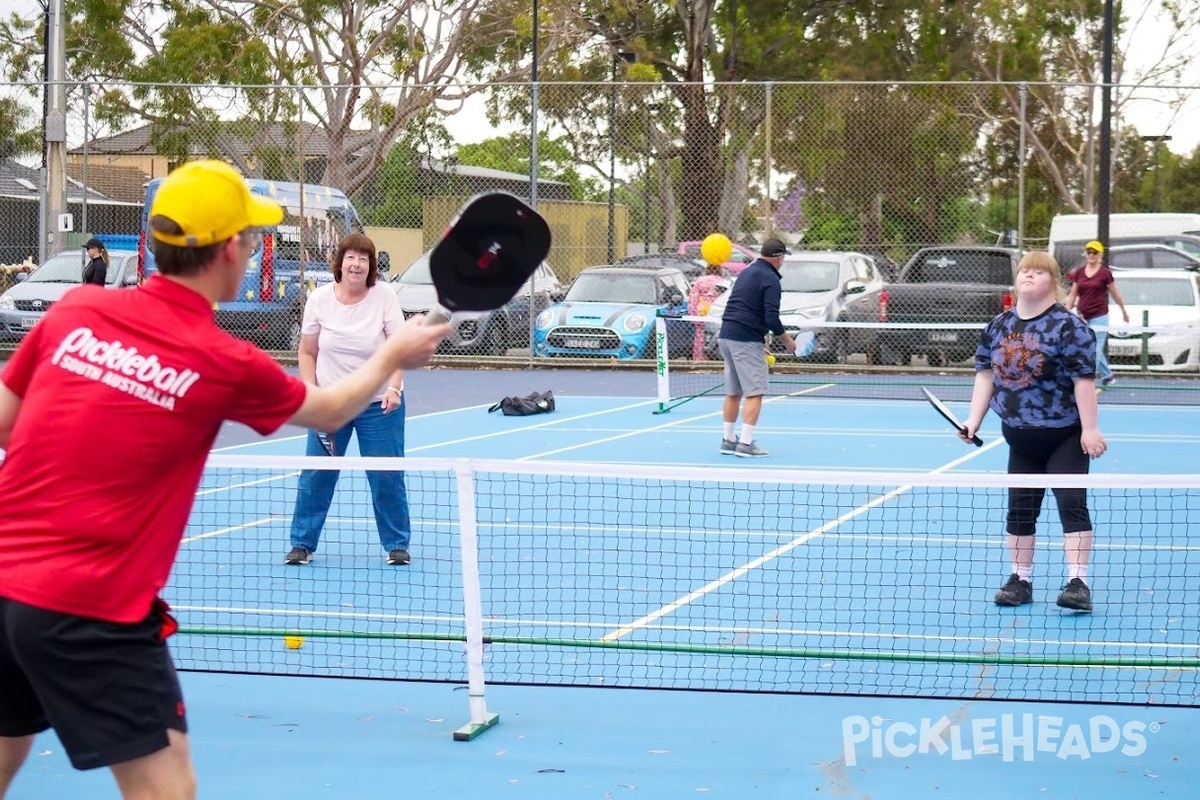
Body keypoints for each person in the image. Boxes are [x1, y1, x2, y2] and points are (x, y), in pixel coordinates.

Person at [0, 159, 449, 800]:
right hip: (92, 604)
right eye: (252, 236)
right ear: (233, 250)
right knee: (167, 790)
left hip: (3, 579)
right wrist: (392, 354)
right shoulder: (222, 359)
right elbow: (328, 410)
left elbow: (7, 424)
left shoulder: (76, 308)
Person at [960, 251, 1107, 613]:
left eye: (1038, 271)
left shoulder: (1069, 327)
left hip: (1064, 436)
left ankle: (1077, 581)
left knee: (1072, 506)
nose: (1028, 276)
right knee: (1019, 511)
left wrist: (1090, 429)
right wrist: (972, 421)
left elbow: (1083, 381)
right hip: (1019, 437)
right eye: (1024, 270)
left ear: (1053, 281)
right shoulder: (997, 326)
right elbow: (985, 376)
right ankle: (1020, 579)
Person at [285, 232, 413, 567]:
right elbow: (307, 352)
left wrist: (394, 389)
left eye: (363, 258)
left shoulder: (384, 295)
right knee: (317, 473)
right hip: (332, 406)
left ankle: (397, 545)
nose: (356, 264)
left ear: (370, 266)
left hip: (378, 405)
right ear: (340, 263)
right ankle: (302, 544)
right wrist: (312, 393)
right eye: (351, 257)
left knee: (386, 474)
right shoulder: (320, 299)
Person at [716, 237, 796, 458]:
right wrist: (788, 342)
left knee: (733, 392)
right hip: (743, 339)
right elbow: (771, 318)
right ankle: (746, 444)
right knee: (755, 392)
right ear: (779, 258)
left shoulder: (747, 272)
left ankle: (728, 440)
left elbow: (744, 308)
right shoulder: (771, 279)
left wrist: (757, 343)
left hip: (727, 336)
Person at [1064, 240, 1129, 390]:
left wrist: (1123, 311)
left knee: (1094, 349)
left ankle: (1087, 381)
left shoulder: (1105, 273)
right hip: (1083, 316)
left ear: (1100, 255)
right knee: (1088, 347)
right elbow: (1073, 294)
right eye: (1089, 252)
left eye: (1095, 252)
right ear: (1085, 254)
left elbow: (1115, 293)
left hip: (1100, 316)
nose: (1091, 255)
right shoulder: (1079, 272)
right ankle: (1108, 376)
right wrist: (1067, 312)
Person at [687, 260, 732, 360]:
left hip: (702, 312)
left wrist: (693, 314)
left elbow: (693, 298)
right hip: (718, 313)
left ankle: (699, 359)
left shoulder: (700, 281)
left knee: (700, 336)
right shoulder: (724, 282)